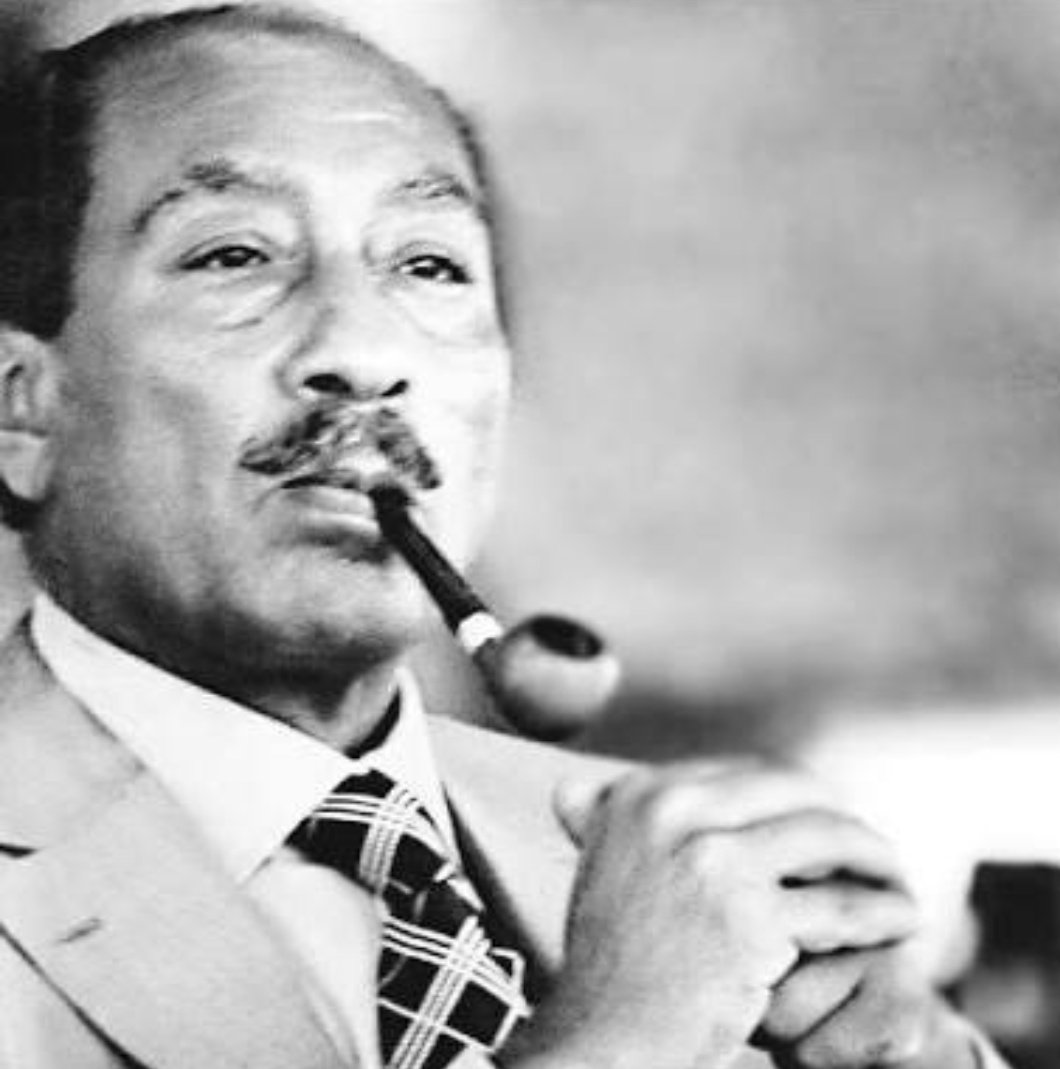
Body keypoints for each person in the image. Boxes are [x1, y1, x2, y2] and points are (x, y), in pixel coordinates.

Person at [0, 6, 1005, 1068]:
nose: (364, 352)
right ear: (22, 408)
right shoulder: (652, 962)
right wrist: (621, 1039)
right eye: (234, 255)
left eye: (429, 265)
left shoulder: (645, 870)